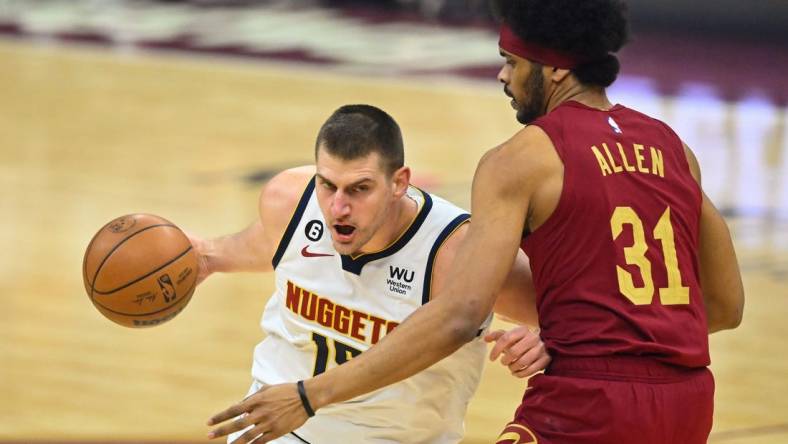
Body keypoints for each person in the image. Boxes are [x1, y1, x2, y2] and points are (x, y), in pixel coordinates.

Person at [205, 1, 746, 443]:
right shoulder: (673, 148)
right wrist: (584, 333)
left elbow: (460, 317)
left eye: (512, 61)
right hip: (690, 402)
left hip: (589, 404)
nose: (503, 74)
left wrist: (308, 396)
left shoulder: (521, 158)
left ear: (553, 68)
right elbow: (723, 306)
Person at [192, 104, 549, 444]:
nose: (338, 208)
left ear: (399, 183)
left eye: (359, 189)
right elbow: (260, 247)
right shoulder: (291, 200)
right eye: (327, 185)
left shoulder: (455, 249)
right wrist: (203, 257)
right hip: (276, 426)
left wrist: (546, 336)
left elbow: (579, 313)